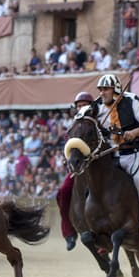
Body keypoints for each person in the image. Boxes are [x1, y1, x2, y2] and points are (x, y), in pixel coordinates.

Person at [94, 74, 139, 238]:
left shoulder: (131, 101)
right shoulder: (97, 107)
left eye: (106, 89)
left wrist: (135, 132)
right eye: (100, 90)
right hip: (111, 156)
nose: (102, 93)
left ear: (115, 89)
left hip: (133, 154)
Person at [56, 91, 94, 250]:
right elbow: (68, 146)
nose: (81, 108)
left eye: (84, 105)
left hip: (99, 165)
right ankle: (69, 232)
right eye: (79, 105)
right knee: (63, 191)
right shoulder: (73, 126)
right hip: (79, 168)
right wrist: (67, 158)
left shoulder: (98, 121)